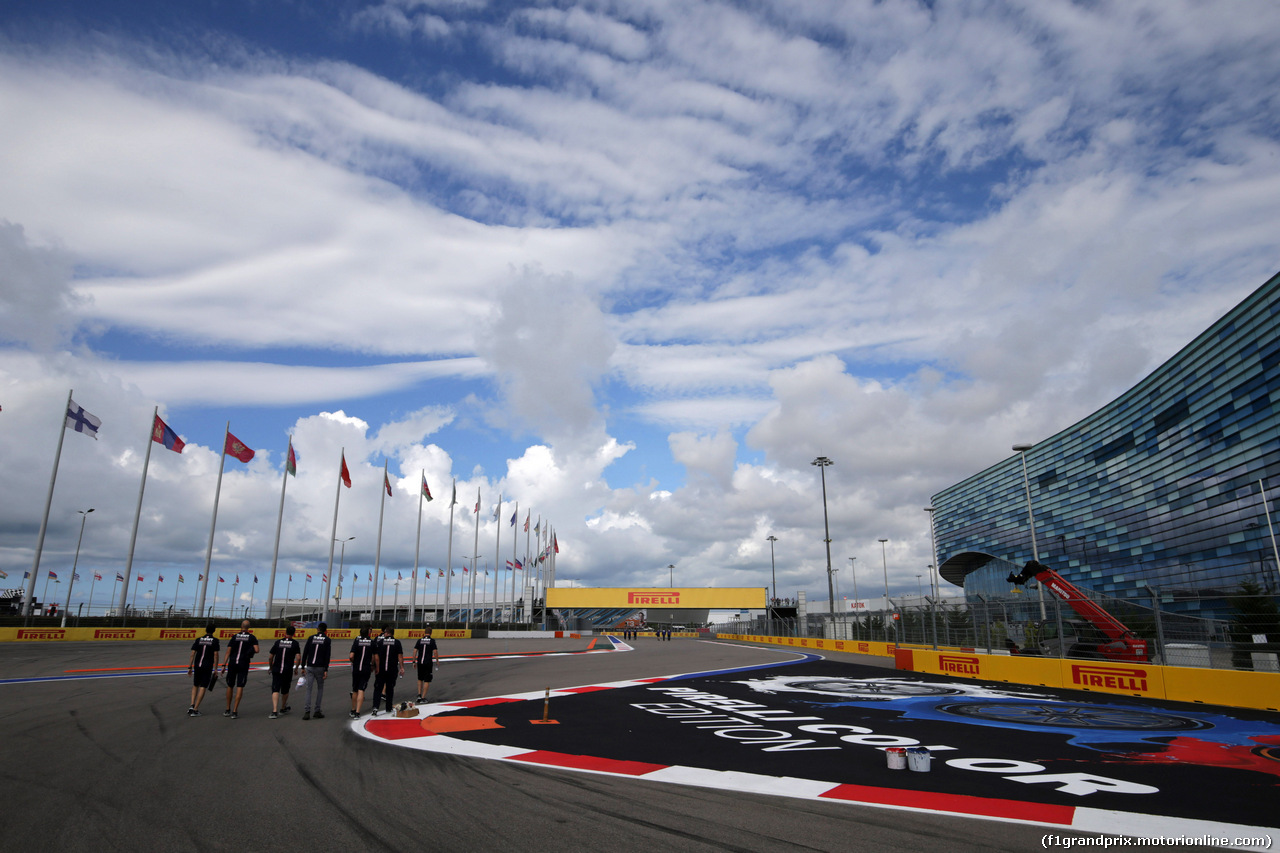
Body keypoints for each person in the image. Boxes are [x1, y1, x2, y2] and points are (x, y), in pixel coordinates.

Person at [221, 619, 259, 719]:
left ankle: (227, 708)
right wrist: (249, 650)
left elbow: (228, 652)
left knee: (230, 685)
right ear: (249, 628)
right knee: (240, 686)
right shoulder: (252, 637)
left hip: (232, 663)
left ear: (241, 626)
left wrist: (224, 665)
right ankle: (234, 711)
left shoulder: (234, 637)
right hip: (243, 663)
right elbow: (257, 650)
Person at [267, 625, 302, 719]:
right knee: (285, 689)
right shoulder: (295, 643)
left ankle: (274, 711)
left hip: (277, 669)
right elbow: (298, 658)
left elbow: (270, 657)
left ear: (285, 632)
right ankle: (282, 708)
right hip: (287, 669)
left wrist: (271, 667)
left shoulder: (278, 642)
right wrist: (296, 668)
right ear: (294, 633)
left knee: (275, 689)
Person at [186, 622, 220, 717]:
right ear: (214, 631)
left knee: (195, 684)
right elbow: (216, 654)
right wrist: (216, 668)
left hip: (197, 665)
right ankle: (196, 709)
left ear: (206, 630)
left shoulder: (198, 640)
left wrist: (189, 666)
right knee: (203, 686)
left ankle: (191, 705)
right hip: (207, 666)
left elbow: (192, 653)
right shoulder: (215, 641)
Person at [370, 624, 404, 716]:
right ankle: (388, 707)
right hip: (392, 669)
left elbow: (375, 656)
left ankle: (375, 708)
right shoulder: (397, 643)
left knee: (378, 689)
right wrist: (401, 667)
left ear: (387, 633)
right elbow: (400, 656)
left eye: (384, 632)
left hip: (381, 669)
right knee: (390, 688)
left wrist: (373, 666)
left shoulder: (380, 642)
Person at [300, 622, 331, 720]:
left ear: (317, 629)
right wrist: (326, 669)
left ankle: (307, 711)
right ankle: (317, 710)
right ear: (326, 631)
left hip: (310, 666)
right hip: (320, 667)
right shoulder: (327, 640)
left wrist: (302, 666)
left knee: (309, 689)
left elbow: (305, 652)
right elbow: (327, 656)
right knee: (320, 688)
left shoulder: (311, 638)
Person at [349, 625, 374, 719]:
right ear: (368, 633)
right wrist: (373, 665)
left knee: (355, 690)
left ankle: (353, 709)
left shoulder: (356, 642)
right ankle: (358, 712)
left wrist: (354, 662)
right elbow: (374, 656)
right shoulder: (372, 642)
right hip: (366, 668)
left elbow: (351, 656)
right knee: (361, 689)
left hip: (356, 668)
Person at [412, 626, 440, 703]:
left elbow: (414, 651)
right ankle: (423, 698)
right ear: (431, 633)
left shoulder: (419, 640)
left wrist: (414, 661)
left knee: (420, 678)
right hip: (427, 662)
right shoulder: (432, 641)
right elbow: (435, 652)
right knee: (427, 680)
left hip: (420, 661)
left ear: (424, 632)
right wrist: (437, 661)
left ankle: (419, 694)